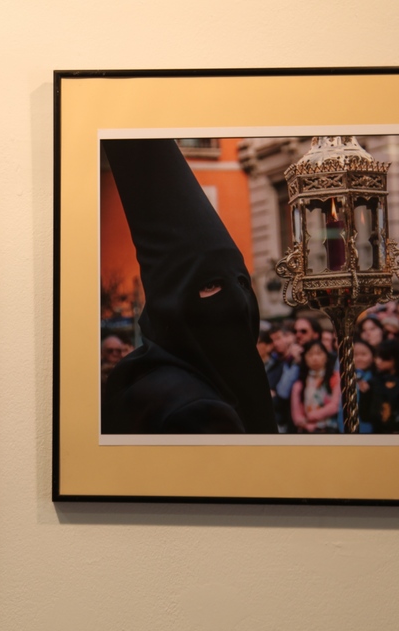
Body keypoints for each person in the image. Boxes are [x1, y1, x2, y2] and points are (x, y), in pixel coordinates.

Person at [100, 138, 276, 434]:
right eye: (210, 284)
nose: (237, 300)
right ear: (172, 299)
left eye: (242, 282)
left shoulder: (135, 378)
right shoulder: (198, 410)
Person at [290, 341, 340, 433]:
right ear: (304, 358)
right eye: (310, 354)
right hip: (306, 431)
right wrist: (303, 422)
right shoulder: (299, 384)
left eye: (319, 353)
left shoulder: (335, 378)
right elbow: (296, 413)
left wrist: (309, 417)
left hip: (330, 429)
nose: (314, 358)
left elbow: (335, 406)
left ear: (326, 357)